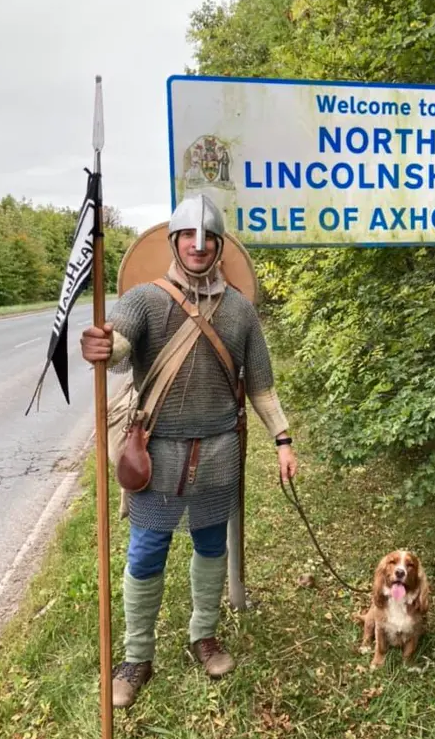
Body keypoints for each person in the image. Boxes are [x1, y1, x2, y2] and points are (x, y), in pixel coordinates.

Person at [81, 194, 297, 709]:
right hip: (156, 452)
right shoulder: (143, 300)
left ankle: (203, 635)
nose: (197, 247)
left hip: (219, 450)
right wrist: (105, 346)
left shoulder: (239, 310)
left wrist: (283, 440)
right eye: (187, 238)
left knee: (210, 546)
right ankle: (137, 656)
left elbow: (261, 386)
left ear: (218, 247)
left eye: (207, 240)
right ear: (175, 242)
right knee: (147, 550)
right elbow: (122, 345)